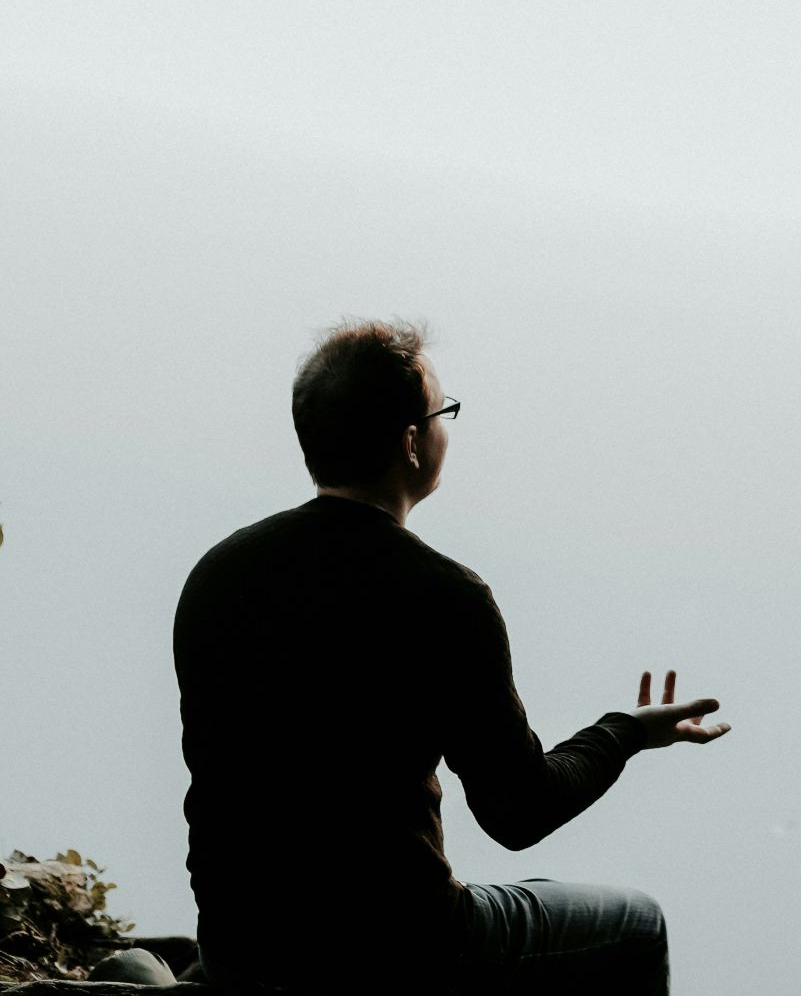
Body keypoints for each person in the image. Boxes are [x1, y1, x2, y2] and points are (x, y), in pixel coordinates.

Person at [174, 319, 730, 991]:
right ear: (412, 443)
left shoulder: (219, 573)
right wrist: (628, 732)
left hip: (244, 947)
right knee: (637, 925)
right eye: (444, 413)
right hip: (397, 949)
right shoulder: (443, 594)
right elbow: (518, 813)